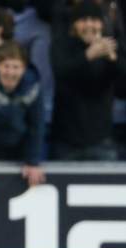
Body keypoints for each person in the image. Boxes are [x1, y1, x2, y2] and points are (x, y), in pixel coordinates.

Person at [51, 0, 126, 160]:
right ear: (74, 25)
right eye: (83, 20)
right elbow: (62, 72)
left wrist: (112, 60)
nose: (89, 25)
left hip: (102, 140)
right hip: (66, 141)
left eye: (94, 20)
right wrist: (88, 55)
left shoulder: (111, 48)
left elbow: (122, 87)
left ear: (102, 24)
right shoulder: (62, 45)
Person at [0, 41, 46, 187]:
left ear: (24, 68)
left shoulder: (33, 88)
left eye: (16, 67)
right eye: (6, 66)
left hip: (16, 152)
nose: (11, 73)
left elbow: (36, 126)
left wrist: (32, 162)